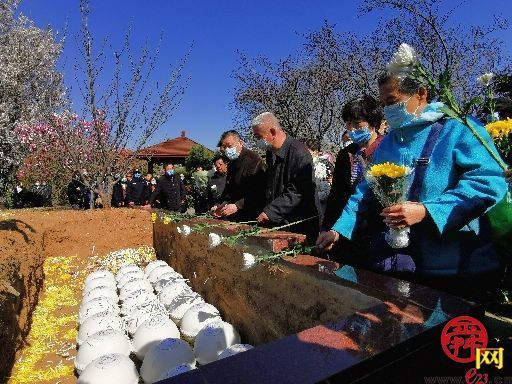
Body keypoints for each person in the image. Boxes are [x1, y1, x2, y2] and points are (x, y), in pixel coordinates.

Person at [317, 71, 508, 302]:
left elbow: (487, 182)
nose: (387, 110)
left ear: (421, 94)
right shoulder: (389, 142)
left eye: (393, 102)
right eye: (384, 103)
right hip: (405, 264)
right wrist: (339, 230)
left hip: (457, 265)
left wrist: (428, 211)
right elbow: (365, 191)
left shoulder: (458, 129)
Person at [322, 95, 384, 260]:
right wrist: (327, 228)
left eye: (357, 124)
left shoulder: (386, 149)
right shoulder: (346, 154)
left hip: (377, 233)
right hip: (346, 230)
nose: (352, 129)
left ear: (374, 124)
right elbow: (336, 194)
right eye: (348, 124)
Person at [252, 112, 320, 242]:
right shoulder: (271, 152)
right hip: (279, 221)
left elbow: (297, 191)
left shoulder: (299, 153)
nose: (257, 141)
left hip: (297, 224)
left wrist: (271, 212)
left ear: (272, 132)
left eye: (258, 137)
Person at [213, 130, 266, 221]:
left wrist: (238, 205)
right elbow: (229, 189)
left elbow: (259, 191)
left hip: (252, 214)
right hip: (235, 214)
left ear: (240, 142)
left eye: (230, 146)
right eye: (225, 147)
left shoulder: (254, 160)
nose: (227, 150)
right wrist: (219, 205)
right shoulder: (232, 162)